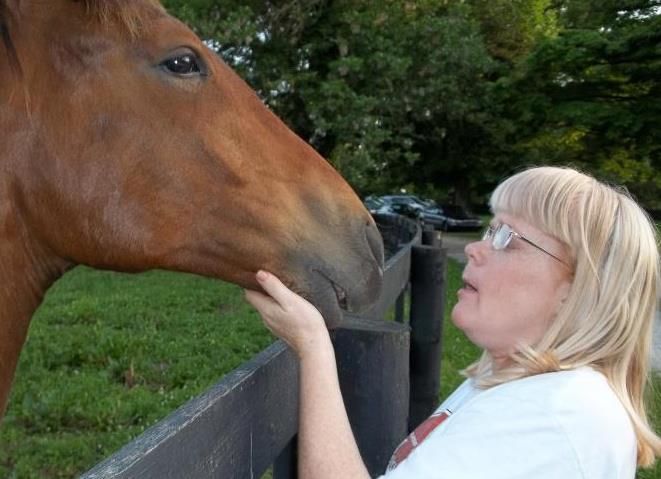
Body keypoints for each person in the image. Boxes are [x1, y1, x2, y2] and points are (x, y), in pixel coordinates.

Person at [245, 166, 660, 478]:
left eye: (508, 238)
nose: (477, 249)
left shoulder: (558, 416)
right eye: (489, 229)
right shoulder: (516, 384)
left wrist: (315, 346)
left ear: (580, 288)